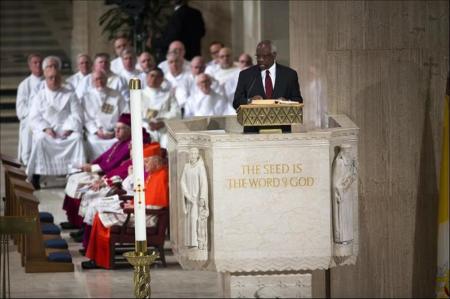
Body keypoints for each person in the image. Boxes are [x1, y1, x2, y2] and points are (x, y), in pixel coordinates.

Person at [82, 150, 169, 269]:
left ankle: (101, 260)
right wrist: (132, 204)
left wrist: (135, 207)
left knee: (101, 218)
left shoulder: (161, 176)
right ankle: (96, 257)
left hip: (146, 218)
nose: (145, 166)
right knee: (100, 214)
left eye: (147, 162)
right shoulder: (154, 174)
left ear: (156, 161)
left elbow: (156, 205)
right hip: (140, 213)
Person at [62, 113, 133, 229]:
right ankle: (73, 220)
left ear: (129, 130)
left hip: (107, 177)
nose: (116, 131)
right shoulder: (118, 143)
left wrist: (93, 169)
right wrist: (91, 165)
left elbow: (114, 166)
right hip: (104, 175)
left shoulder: (127, 146)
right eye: (116, 128)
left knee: (85, 189)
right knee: (73, 179)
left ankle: (82, 225)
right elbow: (103, 158)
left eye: (120, 128)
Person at [26, 67, 85, 189]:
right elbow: (34, 117)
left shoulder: (70, 94)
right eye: (50, 78)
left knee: (77, 138)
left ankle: (75, 174)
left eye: (56, 77)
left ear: (61, 78)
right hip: (48, 132)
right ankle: (37, 175)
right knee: (41, 139)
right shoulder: (40, 96)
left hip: (66, 130)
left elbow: (77, 114)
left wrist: (69, 129)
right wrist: (46, 128)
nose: (54, 80)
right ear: (46, 79)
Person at [233, 40, 303, 109]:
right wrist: (250, 101)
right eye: (258, 56)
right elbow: (236, 102)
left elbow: (298, 100)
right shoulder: (246, 75)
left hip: (281, 119)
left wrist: (286, 102)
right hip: (255, 119)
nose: (260, 59)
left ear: (274, 55)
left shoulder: (289, 74)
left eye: (264, 56)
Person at [80, 70, 128, 160]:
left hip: (115, 132)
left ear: (106, 79)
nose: (100, 81)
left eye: (102, 78)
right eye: (96, 79)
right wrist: (97, 131)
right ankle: (97, 166)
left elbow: (124, 113)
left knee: (119, 142)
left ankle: (114, 165)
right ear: (92, 82)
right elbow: (86, 119)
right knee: (93, 142)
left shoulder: (116, 95)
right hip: (97, 132)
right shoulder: (86, 97)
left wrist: (117, 130)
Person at [16, 53, 44, 166]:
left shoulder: (49, 81)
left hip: (47, 117)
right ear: (29, 65)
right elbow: (21, 108)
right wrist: (34, 113)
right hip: (31, 117)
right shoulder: (24, 85)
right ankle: (28, 161)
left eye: (40, 63)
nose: (38, 65)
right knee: (29, 126)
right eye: (35, 63)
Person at [142, 68, 180, 148]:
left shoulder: (169, 95)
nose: (154, 79)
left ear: (162, 80)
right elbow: (134, 115)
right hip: (145, 128)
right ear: (146, 77)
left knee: (170, 145)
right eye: (152, 76)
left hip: (165, 128)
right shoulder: (139, 95)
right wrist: (148, 124)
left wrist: (163, 123)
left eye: (158, 77)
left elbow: (177, 113)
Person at [180, 147, 207, 248]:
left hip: (197, 198)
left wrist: (202, 198)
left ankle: (196, 242)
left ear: (197, 155)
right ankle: (189, 242)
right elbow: (182, 181)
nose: (192, 155)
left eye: (194, 154)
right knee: (188, 219)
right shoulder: (187, 166)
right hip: (189, 198)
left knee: (194, 219)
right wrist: (187, 194)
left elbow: (204, 183)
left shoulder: (200, 167)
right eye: (190, 153)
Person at [332, 144, 356, 245]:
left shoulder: (349, 160)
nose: (349, 152)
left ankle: (348, 237)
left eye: (350, 150)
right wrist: (340, 190)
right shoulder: (339, 162)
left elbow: (353, 174)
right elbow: (336, 181)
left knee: (347, 214)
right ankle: (342, 238)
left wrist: (352, 175)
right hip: (341, 193)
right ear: (343, 151)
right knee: (342, 214)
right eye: (347, 151)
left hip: (347, 191)